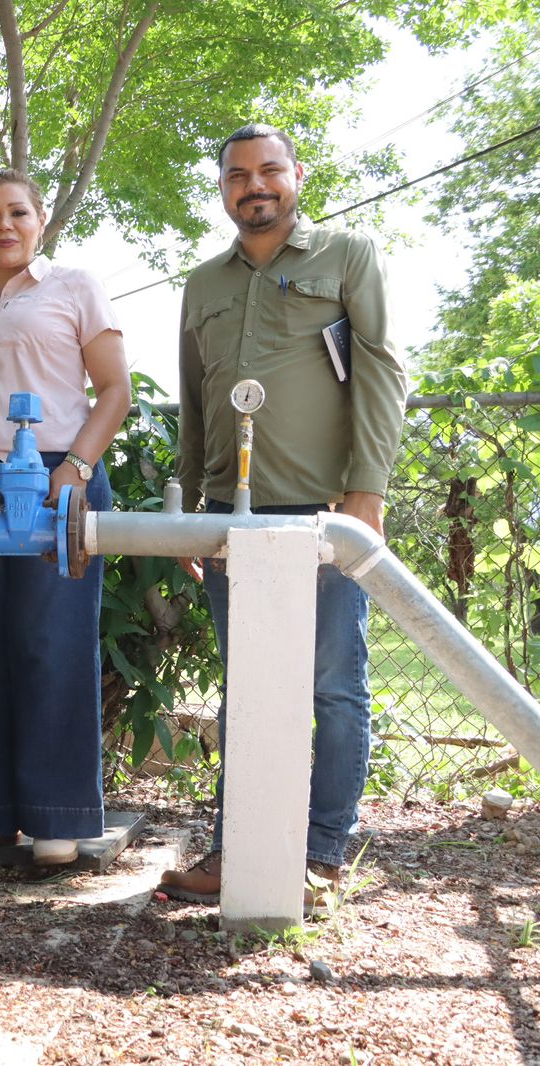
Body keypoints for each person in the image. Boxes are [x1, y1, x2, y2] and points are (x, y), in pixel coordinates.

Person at [159, 123, 408, 907]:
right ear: (224, 188)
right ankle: (239, 851)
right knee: (249, 691)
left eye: (270, 170)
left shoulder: (346, 258)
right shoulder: (204, 284)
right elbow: (195, 405)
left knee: (334, 685)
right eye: (239, 174)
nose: (254, 185)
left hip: (328, 513)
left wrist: (365, 492)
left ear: (297, 175)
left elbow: (380, 370)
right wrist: (191, 514)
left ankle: (323, 856)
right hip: (233, 518)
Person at [0, 170, 130, 865]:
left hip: (57, 481)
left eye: (16, 212)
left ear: (41, 219)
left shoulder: (74, 288)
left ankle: (57, 818)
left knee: (53, 646)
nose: (3, 225)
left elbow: (115, 390)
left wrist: (79, 469)